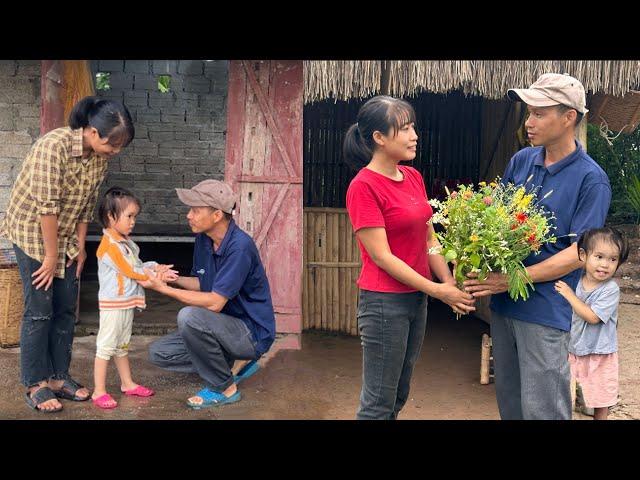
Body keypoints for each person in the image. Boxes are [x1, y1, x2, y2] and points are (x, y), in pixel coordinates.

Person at [463, 73, 612, 420]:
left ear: (569, 117)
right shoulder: (522, 162)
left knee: (544, 411)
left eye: (539, 113)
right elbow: (494, 222)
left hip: (546, 312)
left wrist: (511, 278)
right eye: (528, 113)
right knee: (511, 407)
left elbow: (580, 254)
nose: (529, 122)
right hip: (504, 308)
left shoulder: (591, 179)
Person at [343, 95, 476, 420]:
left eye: (413, 126)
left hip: (416, 300)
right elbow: (383, 258)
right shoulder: (363, 187)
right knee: (377, 403)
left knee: (399, 393)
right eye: (404, 128)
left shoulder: (413, 177)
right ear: (379, 138)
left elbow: (429, 238)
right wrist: (437, 291)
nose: (414, 134)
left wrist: (448, 282)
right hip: (384, 303)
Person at [0, 96, 134, 413]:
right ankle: (36, 383)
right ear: (91, 131)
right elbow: (47, 209)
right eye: (112, 144)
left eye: (119, 147)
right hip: (34, 234)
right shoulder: (53, 147)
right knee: (40, 310)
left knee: (64, 309)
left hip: (65, 236)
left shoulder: (99, 159)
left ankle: (59, 377)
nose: (115, 152)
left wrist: (82, 247)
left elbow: (87, 205)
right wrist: (49, 258)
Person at [142, 179, 274, 409]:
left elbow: (214, 302)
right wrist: (170, 278)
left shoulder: (239, 247)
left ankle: (224, 387)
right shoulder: (204, 240)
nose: (188, 216)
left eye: (195, 210)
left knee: (189, 317)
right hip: (224, 327)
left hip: (250, 332)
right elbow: (204, 283)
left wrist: (165, 290)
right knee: (160, 353)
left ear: (216, 216)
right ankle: (231, 364)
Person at [91, 187, 178, 409]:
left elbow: (137, 266)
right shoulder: (109, 246)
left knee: (122, 346)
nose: (132, 222)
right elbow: (131, 272)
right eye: (129, 216)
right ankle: (98, 391)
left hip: (125, 303)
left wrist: (156, 267)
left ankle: (127, 383)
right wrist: (157, 277)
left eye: (134, 217)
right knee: (105, 347)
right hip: (113, 305)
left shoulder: (126, 243)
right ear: (111, 217)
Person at [555, 227, 628, 420]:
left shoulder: (610, 289)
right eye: (599, 257)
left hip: (600, 353)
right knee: (568, 394)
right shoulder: (576, 281)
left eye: (613, 259)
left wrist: (569, 295)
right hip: (574, 349)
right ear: (583, 255)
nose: (605, 265)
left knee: (600, 399)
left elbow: (593, 317)